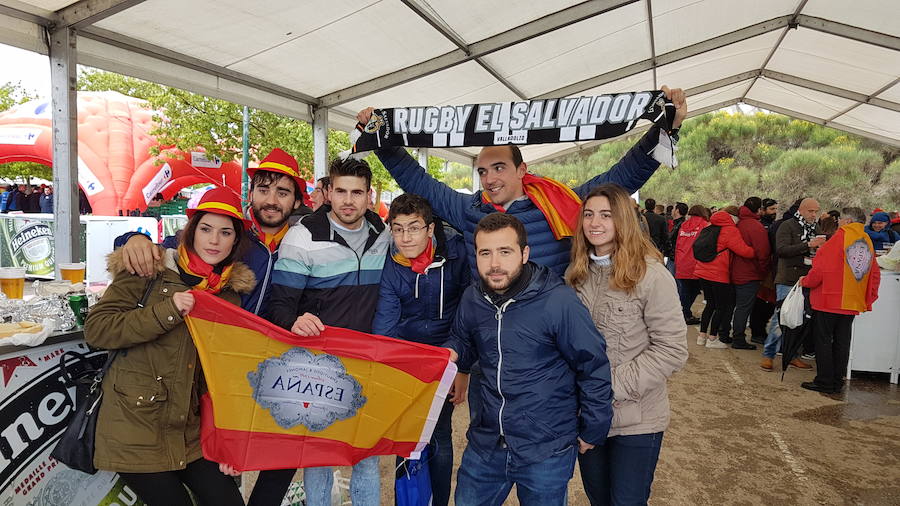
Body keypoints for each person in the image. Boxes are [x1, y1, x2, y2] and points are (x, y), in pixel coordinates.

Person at [357, 85, 688, 277]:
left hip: (549, 336)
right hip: (490, 334)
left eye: (499, 168)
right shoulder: (468, 209)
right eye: (483, 171)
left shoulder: (561, 202)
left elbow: (621, 177)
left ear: (522, 169)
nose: (489, 178)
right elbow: (419, 181)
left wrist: (664, 130)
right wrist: (380, 137)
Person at [83, 187, 255, 506]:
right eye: (206, 229)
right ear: (190, 231)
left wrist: (226, 443)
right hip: (135, 430)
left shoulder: (230, 296)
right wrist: (168, 311)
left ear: (235, 241)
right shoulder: (149, 268)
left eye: (225, 232)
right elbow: (97, 330)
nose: (214, 240)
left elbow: (219, 378)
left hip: (189, 434)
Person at [444, 213, 612, 506]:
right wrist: (451, 352)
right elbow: (464, 342)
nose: (494, 263)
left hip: (545, 449)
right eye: (486, 253)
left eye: (505, 251)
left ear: (524, 253)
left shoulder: (558, 301)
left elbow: (593, 365)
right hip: (486, 443)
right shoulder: (473, 298)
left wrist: (593, 428)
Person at [266, 157, 391, 506]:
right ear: (327, 192)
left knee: (367, 456)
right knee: (318, 458)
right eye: (340, 191)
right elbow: (279, 306)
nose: (348, 201)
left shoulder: (383, 234)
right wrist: (293, 320)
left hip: (368, 363)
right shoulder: (302, 237)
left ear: (369, 196)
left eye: (357, 192)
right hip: (318, 367)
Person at [565, 184, 687, 505]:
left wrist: (605, 388)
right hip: (588, 418)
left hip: (637, 421)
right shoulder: (576, 275)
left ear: (623, 220)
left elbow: (671, 350)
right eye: (589, 214)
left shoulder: (652, 275)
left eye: (606, 215)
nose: (595, 223)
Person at [117, 148, 306, 316]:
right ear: (251, 194)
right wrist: (134, 238)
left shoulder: (303, 246)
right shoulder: (229, 230)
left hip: (264, 349)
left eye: (282, 193)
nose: (271, 201)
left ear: (297, 201)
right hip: (209, 346)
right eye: (263, 190)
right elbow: (171, 246)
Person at [372, 193, 469, 506]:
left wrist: (460, 365)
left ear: (430, 229)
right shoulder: (392, 262)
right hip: (408, 360)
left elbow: (467, 315)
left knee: (439, 433)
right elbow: (385, 326)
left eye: (413, 228)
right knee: (406, 432)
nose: (405, 237)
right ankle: (408, 500)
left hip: (446, 357)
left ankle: (439, 501)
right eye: (398, 229)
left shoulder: (456, 253)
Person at [800, 207, 880, 393]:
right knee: (842, 342)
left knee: (823, 341)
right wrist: (869, 297)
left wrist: (806, 281)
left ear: (847, 221)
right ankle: (837, 381)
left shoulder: (838, 239)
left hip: (829, 299)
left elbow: (819, 270)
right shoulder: (867, 241)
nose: (838, 222)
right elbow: (874, 274)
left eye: (841, 220)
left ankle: (824, 381)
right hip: (852, 302)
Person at [760, 198, 824, 371]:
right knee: (781, 318)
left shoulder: (816, 228)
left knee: (801, 320)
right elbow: (781, 250)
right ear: (801, 210)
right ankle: (769, 354)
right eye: (811, 211)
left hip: (809, 279)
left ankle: (792, 355)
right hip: (788, 279)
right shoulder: (787, 226)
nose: (814, 214)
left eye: (816, 211)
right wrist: (808, 245)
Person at [695, 206, 755, 348]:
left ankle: (701, 336)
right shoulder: (730, 230)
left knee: (710, 304)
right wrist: (756, 251)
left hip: (702, 271)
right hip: (718, 274)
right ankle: (712, 338)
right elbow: (744, 251)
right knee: (721, 307)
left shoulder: (709, 226)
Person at [729, 197, 771, 350]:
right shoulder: (756, 227)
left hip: (732, 270)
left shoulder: (737, 222)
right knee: (743, 307)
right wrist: (763, 271)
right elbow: (763, 252)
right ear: (759, 209)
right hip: (749, 273)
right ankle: (738, 338)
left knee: (732, 306)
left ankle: (725, 333)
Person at [674, 205, 709, 325]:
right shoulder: (705, 225)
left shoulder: (684, 225)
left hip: (682, 261)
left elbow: (678, 244)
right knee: (694, 290)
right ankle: (684, 313)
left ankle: (683, 313)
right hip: (696, 263)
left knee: (684, 290)